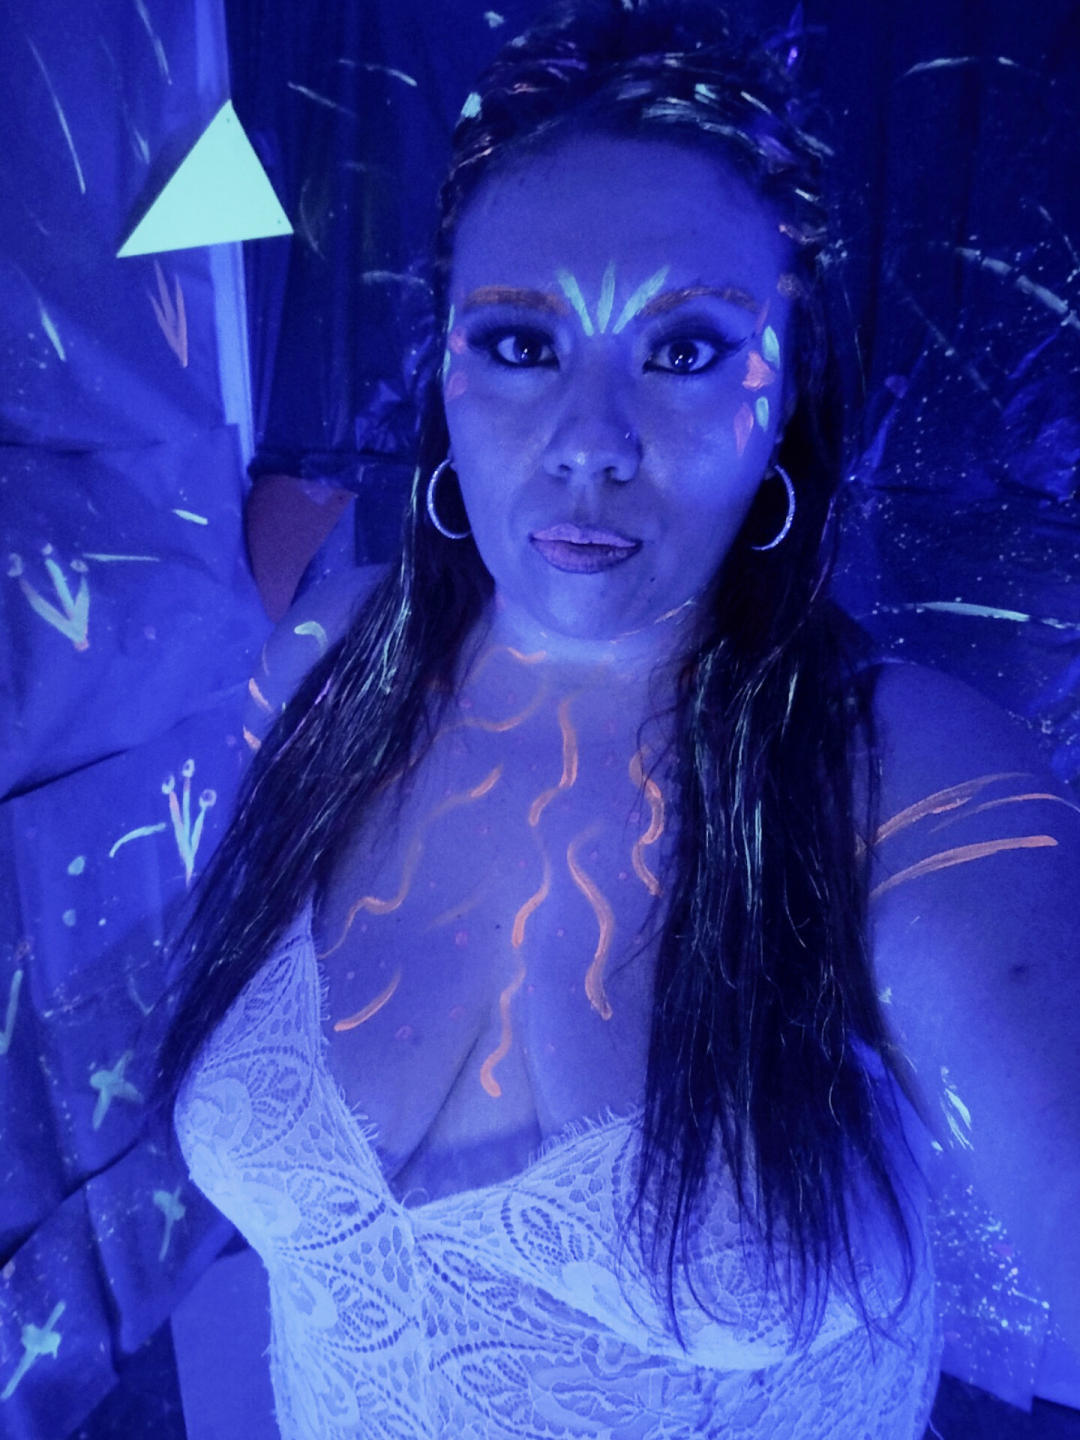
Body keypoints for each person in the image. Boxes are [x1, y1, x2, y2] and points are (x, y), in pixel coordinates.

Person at [156, 2, 1080, 1435]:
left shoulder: (902, 784)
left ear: (790, 388)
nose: (589, 442)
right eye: (522, 343)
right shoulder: (331, 657)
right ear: (447, 369)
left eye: (687, 350)